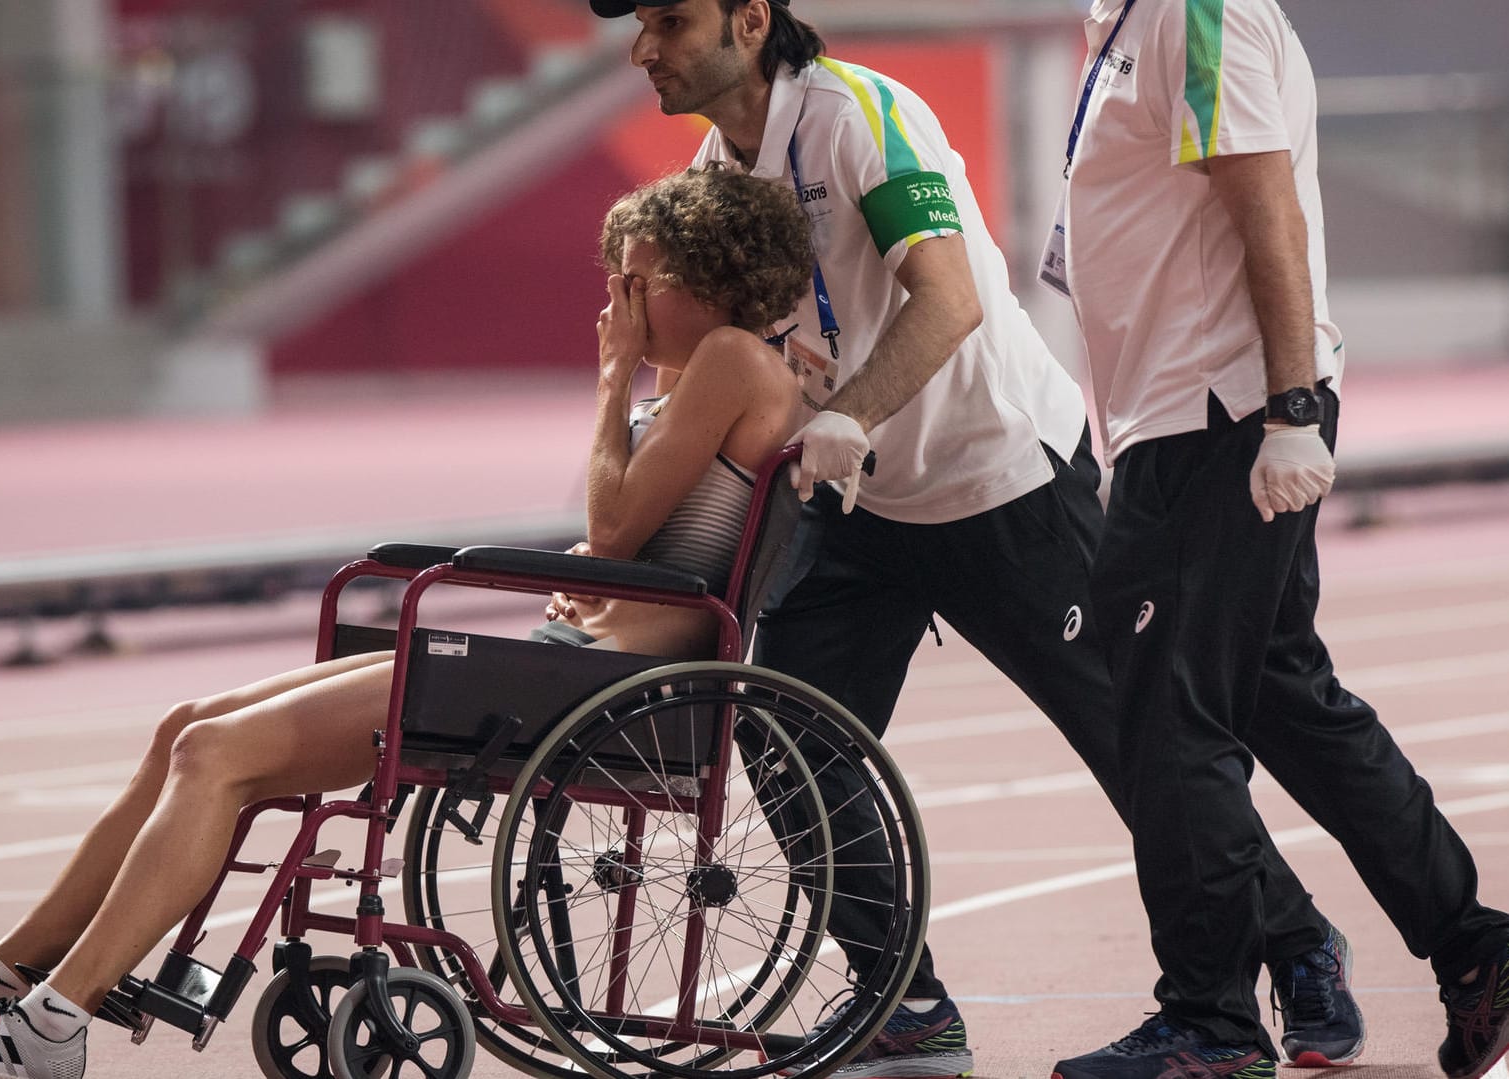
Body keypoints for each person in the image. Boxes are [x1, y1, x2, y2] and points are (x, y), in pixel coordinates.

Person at [582, 2, 1369, 1077]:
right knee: (782, 737)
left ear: (751, 18)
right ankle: (902, 1000)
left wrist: (848, 410)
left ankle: (1296, 938)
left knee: (1138, 746)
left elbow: (945, 300)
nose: (644, 49)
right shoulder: (719, 163)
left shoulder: (864, 113)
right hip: (856, 501)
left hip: (997, 477)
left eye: (669, 20)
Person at [0, 167, 812, 1079]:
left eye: (639, 281)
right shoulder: (705, 373)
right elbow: (631, 540)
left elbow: (613, 525)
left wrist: (610, 384)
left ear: (709, 280)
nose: (619, 301)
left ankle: (50, 1026)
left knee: (213, 755)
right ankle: (1, 978)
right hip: (576, 658)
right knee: (187, 726)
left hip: (591, 685)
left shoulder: (733, 359)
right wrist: (595, 566)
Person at [1045, 1, 1509, 1077]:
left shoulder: (1194, 11)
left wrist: (1290, 408)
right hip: (1183, 416)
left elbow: (1266, 207)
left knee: (1171, 716)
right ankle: (1474, 943)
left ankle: (1209, 1023)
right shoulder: (1119, 21)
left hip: (1220, 411)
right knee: (1276, 692)